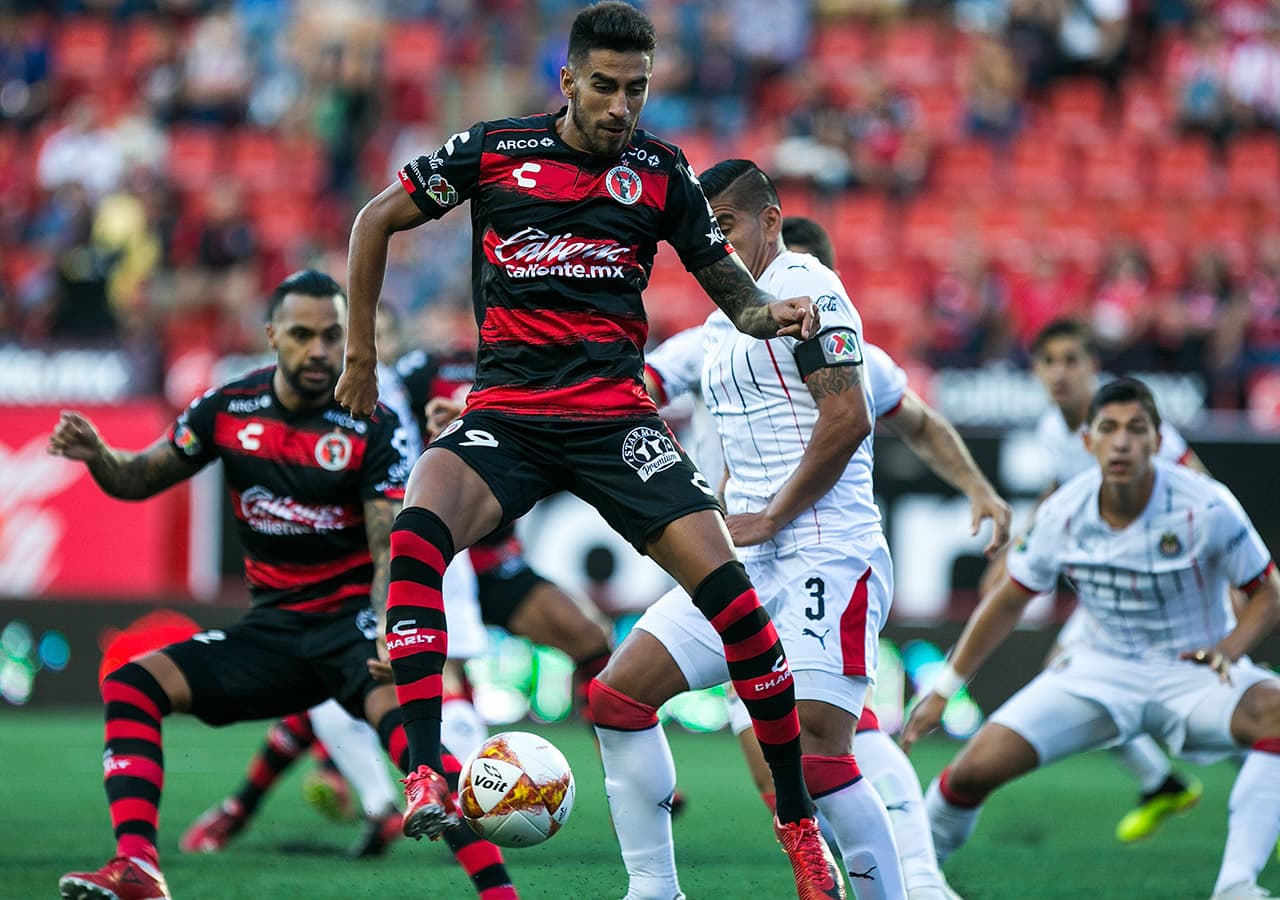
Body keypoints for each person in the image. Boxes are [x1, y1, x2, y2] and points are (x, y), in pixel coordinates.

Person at [335, 5, 838, 896]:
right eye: (603, 86)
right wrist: (362, 358)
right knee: (417, 536)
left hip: (617, 421)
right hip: (509, 414)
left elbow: (732, 290)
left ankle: (799, 831)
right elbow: (374, 219)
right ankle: (424, 772)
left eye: (636, 89)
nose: (620, 106)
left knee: (739, 612)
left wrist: (773, 315)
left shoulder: (660, 172)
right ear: (566, 81)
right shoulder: (492, 150)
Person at [53, 270, 515, 900]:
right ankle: (136, 866)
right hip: (273, 633)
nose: (319, 351)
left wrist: (388, 627)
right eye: (302, 335)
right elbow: (141, 479)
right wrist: (100, 456)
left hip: (352, 634)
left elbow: (388, 545)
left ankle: (499, 893)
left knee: (423, 760)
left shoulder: (371, 423)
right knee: (134, 684)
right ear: (273, 335)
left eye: (332, 336)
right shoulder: (226, 409)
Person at [648, 213, 1008, 900]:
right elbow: (638, 388)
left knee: (831, 737)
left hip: (813, 552)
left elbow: (922, 425)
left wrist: (979, 489)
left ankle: (916, 881)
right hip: (728, 557)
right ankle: (841, 870)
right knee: (775, 757)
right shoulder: (709, 340)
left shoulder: (856, 357)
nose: (795, 308)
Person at [590, 157, 911, 900]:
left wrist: (770, 513)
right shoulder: (716, 326)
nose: (713, 243)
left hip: (830, 551)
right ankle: (654, 890)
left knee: (821, 759)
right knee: (617, 697)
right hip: (749, 560)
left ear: (770, 221)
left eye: (725, 225)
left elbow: (848, 417)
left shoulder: (808, 287)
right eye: (704, 230)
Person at [902, 377, 1280, 900]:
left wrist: (1230, 650)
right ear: (1089, 442)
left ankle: (1236, 886)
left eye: (1136, 429)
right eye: (1109, 429)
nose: (1122, 441)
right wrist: (945, 687)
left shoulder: (1208, 505)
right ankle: (915, 882)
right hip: (1097, 671)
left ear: (1158, 440)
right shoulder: (1063, 513)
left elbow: (1268, 591)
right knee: (968, 774)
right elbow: (1008, 600)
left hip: (1193, 672)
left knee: (1278, 714)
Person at [990, 317, 1210, 843]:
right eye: (1048, 362)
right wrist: (1017, 547)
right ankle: (1162, 783)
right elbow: (1059, 489)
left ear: (1093, 366)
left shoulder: (1124, 420)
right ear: (1037, 371)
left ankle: (1190, 778)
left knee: (1212, 707)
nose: (1059, 373)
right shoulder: (1053, 428)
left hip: (1165, 582)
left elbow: (1199, 483)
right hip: (1115, 584)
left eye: (1071, 360)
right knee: (1076, 681)